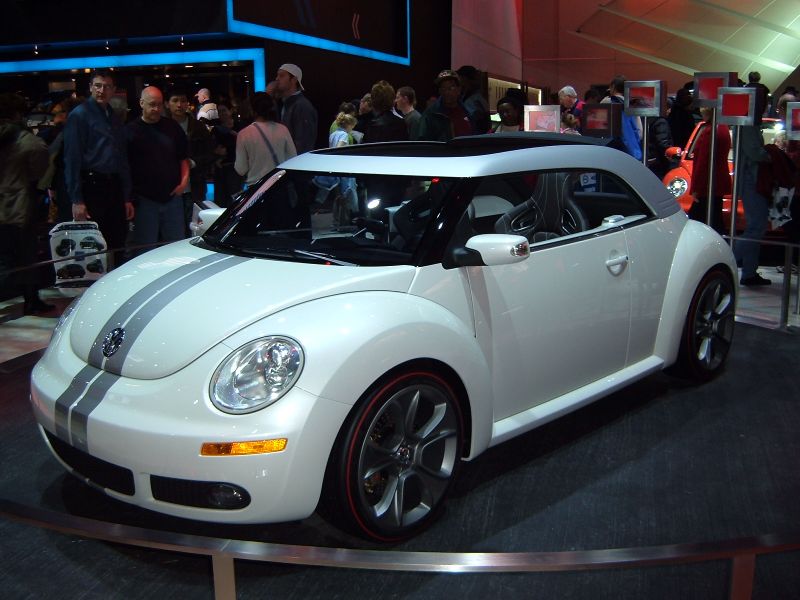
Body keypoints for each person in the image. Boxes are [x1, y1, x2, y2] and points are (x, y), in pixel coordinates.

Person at [63, 69, 133, 266]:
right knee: (94, 244)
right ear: (90, 88)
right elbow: (72, 159)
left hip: (114, 185)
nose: (102, 90)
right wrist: (77, 199)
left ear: (114, 90)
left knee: (118, 240)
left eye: (107, 86)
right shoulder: (79, 115)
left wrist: (127, 196)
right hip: (93, 185)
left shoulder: (113, 115)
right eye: (98, 86)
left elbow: (122, 158)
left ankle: (116, 279)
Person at [0, 92, 52, 313]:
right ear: (18, 113)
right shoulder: (24, 138)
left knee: (4, 257)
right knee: (25, 255)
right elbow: (39, 160)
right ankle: (31, 300)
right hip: (17, 205)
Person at [126, 86, 189, 252]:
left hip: (172, 197)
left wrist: (183, 184)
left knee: (176, 246)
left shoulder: (172, 127)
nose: (156, 109)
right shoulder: (131, 131)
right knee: (145, 248)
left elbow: (183, 158)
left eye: (159, 105)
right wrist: (128, 198)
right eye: (152, 104)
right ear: (142, 103)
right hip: (144, 200)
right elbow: (126, 168)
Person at [733, 94, 772, 286]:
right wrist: (771, 155)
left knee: (755, 226)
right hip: (752, 181)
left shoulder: (748, 122)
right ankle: (728, 260)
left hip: (752, 181)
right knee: (756, 226)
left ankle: (749, 272)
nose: (764, 105)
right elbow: (755, 153)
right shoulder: (747, 124)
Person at [165, 87, 216, 233]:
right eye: (175, 101)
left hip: (194, 184)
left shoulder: (198, 126)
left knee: (194, 227)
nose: (179, 105)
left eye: (183, 101)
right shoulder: (163, 126)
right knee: (172, 229)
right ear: (167, 104)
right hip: (170, 186)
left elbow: (210, 152)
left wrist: (193, 162)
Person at [234, 92, 297, 187]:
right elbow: (293, 159)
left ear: (252, 109)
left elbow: (241, 169)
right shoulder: (283, 129)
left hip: (257, 188)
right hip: (279, 185)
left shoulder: (244, 134)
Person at [687, 106, 731, 234]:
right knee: (715, 219)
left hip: (707, 184)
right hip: (717, 182)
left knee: (697, 222)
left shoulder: (710, 131)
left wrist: (696, 188)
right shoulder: (723, 128)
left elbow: (703, 162)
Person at [417, 69, 478, 142]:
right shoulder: (430, 115)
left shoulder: (468, 112)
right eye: (443, 88)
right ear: (440, 91)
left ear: (459, 90)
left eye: (451, 88)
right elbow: (422, 143)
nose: (446, 92)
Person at [273, 63, 318, 154]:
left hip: (295, 160)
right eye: (277, 75)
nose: (277, 79)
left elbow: (303, 144)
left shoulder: (302, 106)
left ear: (293, 80)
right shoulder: (285, 103)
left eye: (281, 76)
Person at [602, 75, 642, 160]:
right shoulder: (632, 105)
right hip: (630, 152)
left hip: (611, 151)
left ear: (613, 87)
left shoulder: (606, 102)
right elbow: (639, 132)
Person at [457, 65, 490, 134]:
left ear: (464, 78)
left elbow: (470, 121)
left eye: (459, 77)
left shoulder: (474, 99)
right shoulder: (477, 96)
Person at [646, 114, 673, 180]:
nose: (669, 111)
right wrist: (671, 155)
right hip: (658, 161)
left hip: (650, 157)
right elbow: (663, 143)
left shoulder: (648, 120)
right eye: (667, 109)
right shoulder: (661, 122)